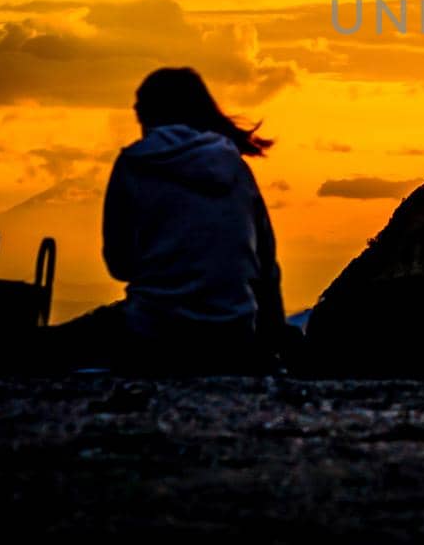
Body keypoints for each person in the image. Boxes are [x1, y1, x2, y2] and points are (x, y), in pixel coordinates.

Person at [36, 66, 288, 374]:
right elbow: (267, 266)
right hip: (232, 334)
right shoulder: (234, 166)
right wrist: (269, 341)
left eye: (140, 110)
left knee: (38, 348)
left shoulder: (133, 163)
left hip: (153, 331)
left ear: (151, 114)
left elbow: (120, 265)